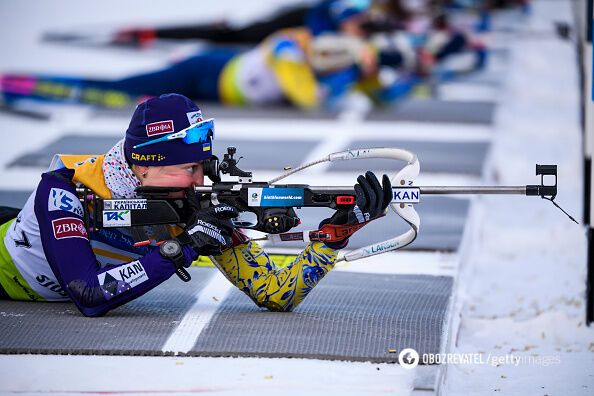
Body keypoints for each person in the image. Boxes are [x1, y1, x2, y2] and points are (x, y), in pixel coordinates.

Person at [0, 93, 392, 317]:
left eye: (204, 166)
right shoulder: (65, 190)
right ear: (143, 165)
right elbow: (88, 293)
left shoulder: (187, 204)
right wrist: (184, 247)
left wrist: (334, 236)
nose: (200, 181)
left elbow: (277, 292)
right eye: (188, 167)